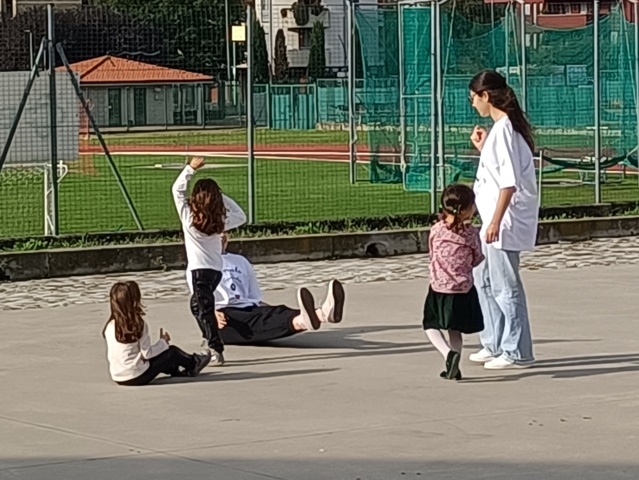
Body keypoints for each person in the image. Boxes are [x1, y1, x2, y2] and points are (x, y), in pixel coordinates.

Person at [468, 70, 538, 370]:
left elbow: (508, 183)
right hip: (490, 220)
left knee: (505, 286)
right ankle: (493, 341)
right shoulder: (499, 131)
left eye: (473, 98)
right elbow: (498, 170)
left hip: (503, 222)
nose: (473, 104)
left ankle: (517, 350)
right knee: (483, 280)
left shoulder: (506, 130)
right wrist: (484, 149)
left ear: (486, 96)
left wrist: (496, 222)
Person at [172, 156, 247, 367]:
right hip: (215, 272)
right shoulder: (219, 221)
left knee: (204, 309)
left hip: (199, 271)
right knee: (197, 306)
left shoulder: (189, 218)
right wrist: (220, 198)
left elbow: (177, 190)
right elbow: (241, 216)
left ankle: (215, 347)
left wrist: (190, 169)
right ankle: (209, 337)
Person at [209, 233, 346, 345]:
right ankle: (309, 319)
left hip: (248, 307)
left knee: (276, 312)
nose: (222, 236)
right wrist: (211, 313)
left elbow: (254, 298)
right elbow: (199, 296)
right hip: (222, 317)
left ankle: (322, 314)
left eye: (224, 231)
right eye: (216, 232)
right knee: (255, 320)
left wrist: (269, 309)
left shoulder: (241, 261)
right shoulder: (204, 263)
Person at [423, 185, 485, 381]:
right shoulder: (471, 233)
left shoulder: (436, 230)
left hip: (439, 287)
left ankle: (447, 354)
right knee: (455, 330)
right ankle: (454, 364)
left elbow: (431, 253)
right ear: (467, 210)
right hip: (462, 288)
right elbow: (477, 257)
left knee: (430, 325)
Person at [103, 281, 211, 386]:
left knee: (161, 356)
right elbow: (147, 354)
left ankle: (176, 369)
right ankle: (194, 363)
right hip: (138, 375)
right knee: (172, 352)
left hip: (118, 376)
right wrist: (163, 342)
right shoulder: (138, 324)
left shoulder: (110, 326)